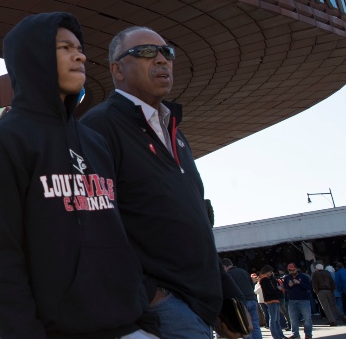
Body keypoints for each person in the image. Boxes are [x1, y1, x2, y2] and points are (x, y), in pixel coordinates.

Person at [0, 13, 149, 339]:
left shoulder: (95, 142)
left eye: (79, 47)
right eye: (64, 47)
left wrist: (144, 315)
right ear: (33, 56)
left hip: (130, 327)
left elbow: (122, 235)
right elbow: (2, 261)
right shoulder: (4, 144)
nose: (80, 55)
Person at [80, 25, 247, 339]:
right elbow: (92, 223)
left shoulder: (175, 132)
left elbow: (195, 219)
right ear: (117, 69)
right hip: (164, 309)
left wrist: (224, 295)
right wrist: (149, 294)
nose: (161, 59)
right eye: (145, 52)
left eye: (166, 52)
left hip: (202, 305)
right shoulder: (98, 126)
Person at [223, 260, 263, 339]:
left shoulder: (228, 275)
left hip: (241, 302)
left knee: (245, 326)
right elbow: (252, 285)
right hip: (252, 299)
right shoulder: (243, 271)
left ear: (224, 266)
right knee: (255, 324)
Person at [281, 264, 312, 339]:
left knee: (307, 318)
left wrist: (299, 283)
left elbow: (309, 287)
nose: (291, 271)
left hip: (303, 300)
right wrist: (289, 286)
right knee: (293, 319)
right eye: (289, 270)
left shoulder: (303, 277)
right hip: (292, 300)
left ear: (296, 269)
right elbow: (285, 288)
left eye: (293, 270)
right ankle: (295, 334)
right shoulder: (287, 278)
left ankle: (308, 334)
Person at [258, 267, 285, 339]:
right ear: (267, 272)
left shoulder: (266, 279)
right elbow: (269, 290)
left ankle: (279, 335)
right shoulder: (264, 279)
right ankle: (276, 335)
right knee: (273, 319)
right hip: (271, 300)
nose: (271, 273)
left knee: (276, 319)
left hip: (273, 299)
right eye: (270, 272)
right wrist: (277, 289)